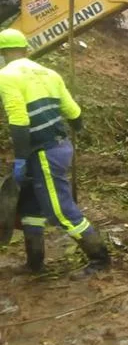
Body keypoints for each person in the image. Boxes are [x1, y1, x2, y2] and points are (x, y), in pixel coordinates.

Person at [0, 28, 110, 275]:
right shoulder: (50, 73)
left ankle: (100, 260)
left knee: (59, 210)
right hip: (58, 147)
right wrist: (76, 128)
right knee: (30, 207)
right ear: (26, 49)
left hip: (43, 152)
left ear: (3, 52)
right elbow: (74, 114)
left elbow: (19, 120)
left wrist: (19, 158)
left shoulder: (6, 76)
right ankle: (34, 263)